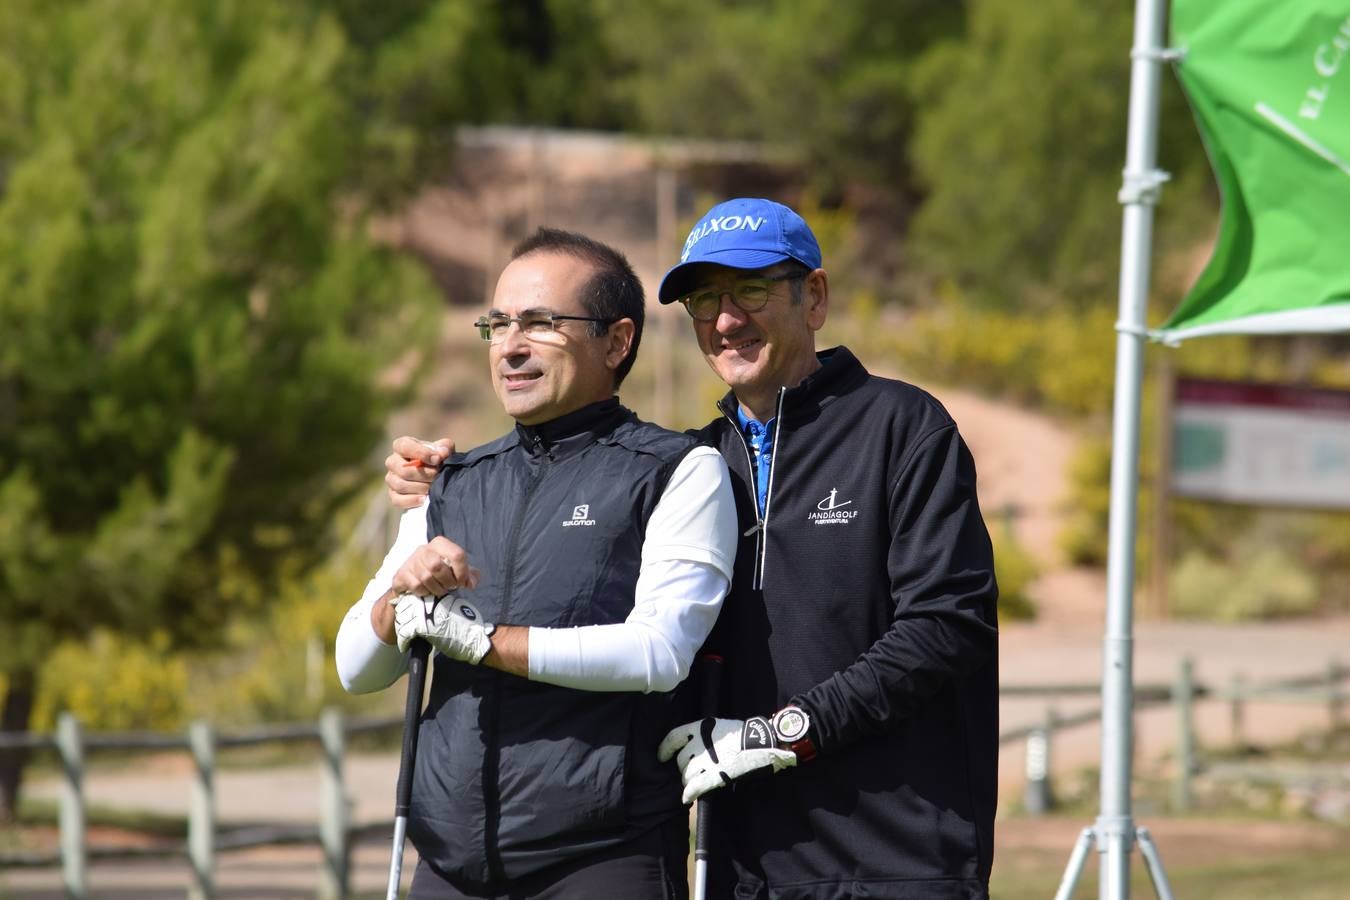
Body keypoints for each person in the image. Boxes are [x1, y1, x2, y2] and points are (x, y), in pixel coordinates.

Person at [385, 200, 999, 899]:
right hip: (741, 863)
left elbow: (946, 626)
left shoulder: (903, 426)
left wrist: (788, 732)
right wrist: (448, 479)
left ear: (815, 297)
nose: (726, 320)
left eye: (752, 291)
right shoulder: (696, 464)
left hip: (898, 853)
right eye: (705, 300)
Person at [337, 227, 738, 900]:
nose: (511, 346)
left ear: (617, 341)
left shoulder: (679, 470)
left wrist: (481, 642)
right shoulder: (452, 482)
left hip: (602, 858)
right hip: (448, 863)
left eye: (541, 323)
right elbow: (357, 669)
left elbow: (659, 652)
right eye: (497, 325)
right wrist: (398, 604)